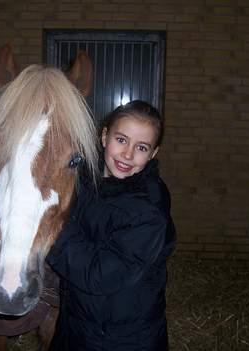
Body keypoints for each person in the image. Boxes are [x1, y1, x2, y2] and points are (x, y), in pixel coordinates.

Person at [46, 100, 176, 351]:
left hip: (121, 338)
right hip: (76, 324)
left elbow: (99, 275)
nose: (128, 155)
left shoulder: (147, 211)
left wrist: (52, 227)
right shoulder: (84, 178)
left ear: (153, 154)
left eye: (141, 147)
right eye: (121, 140)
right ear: (104, 136)